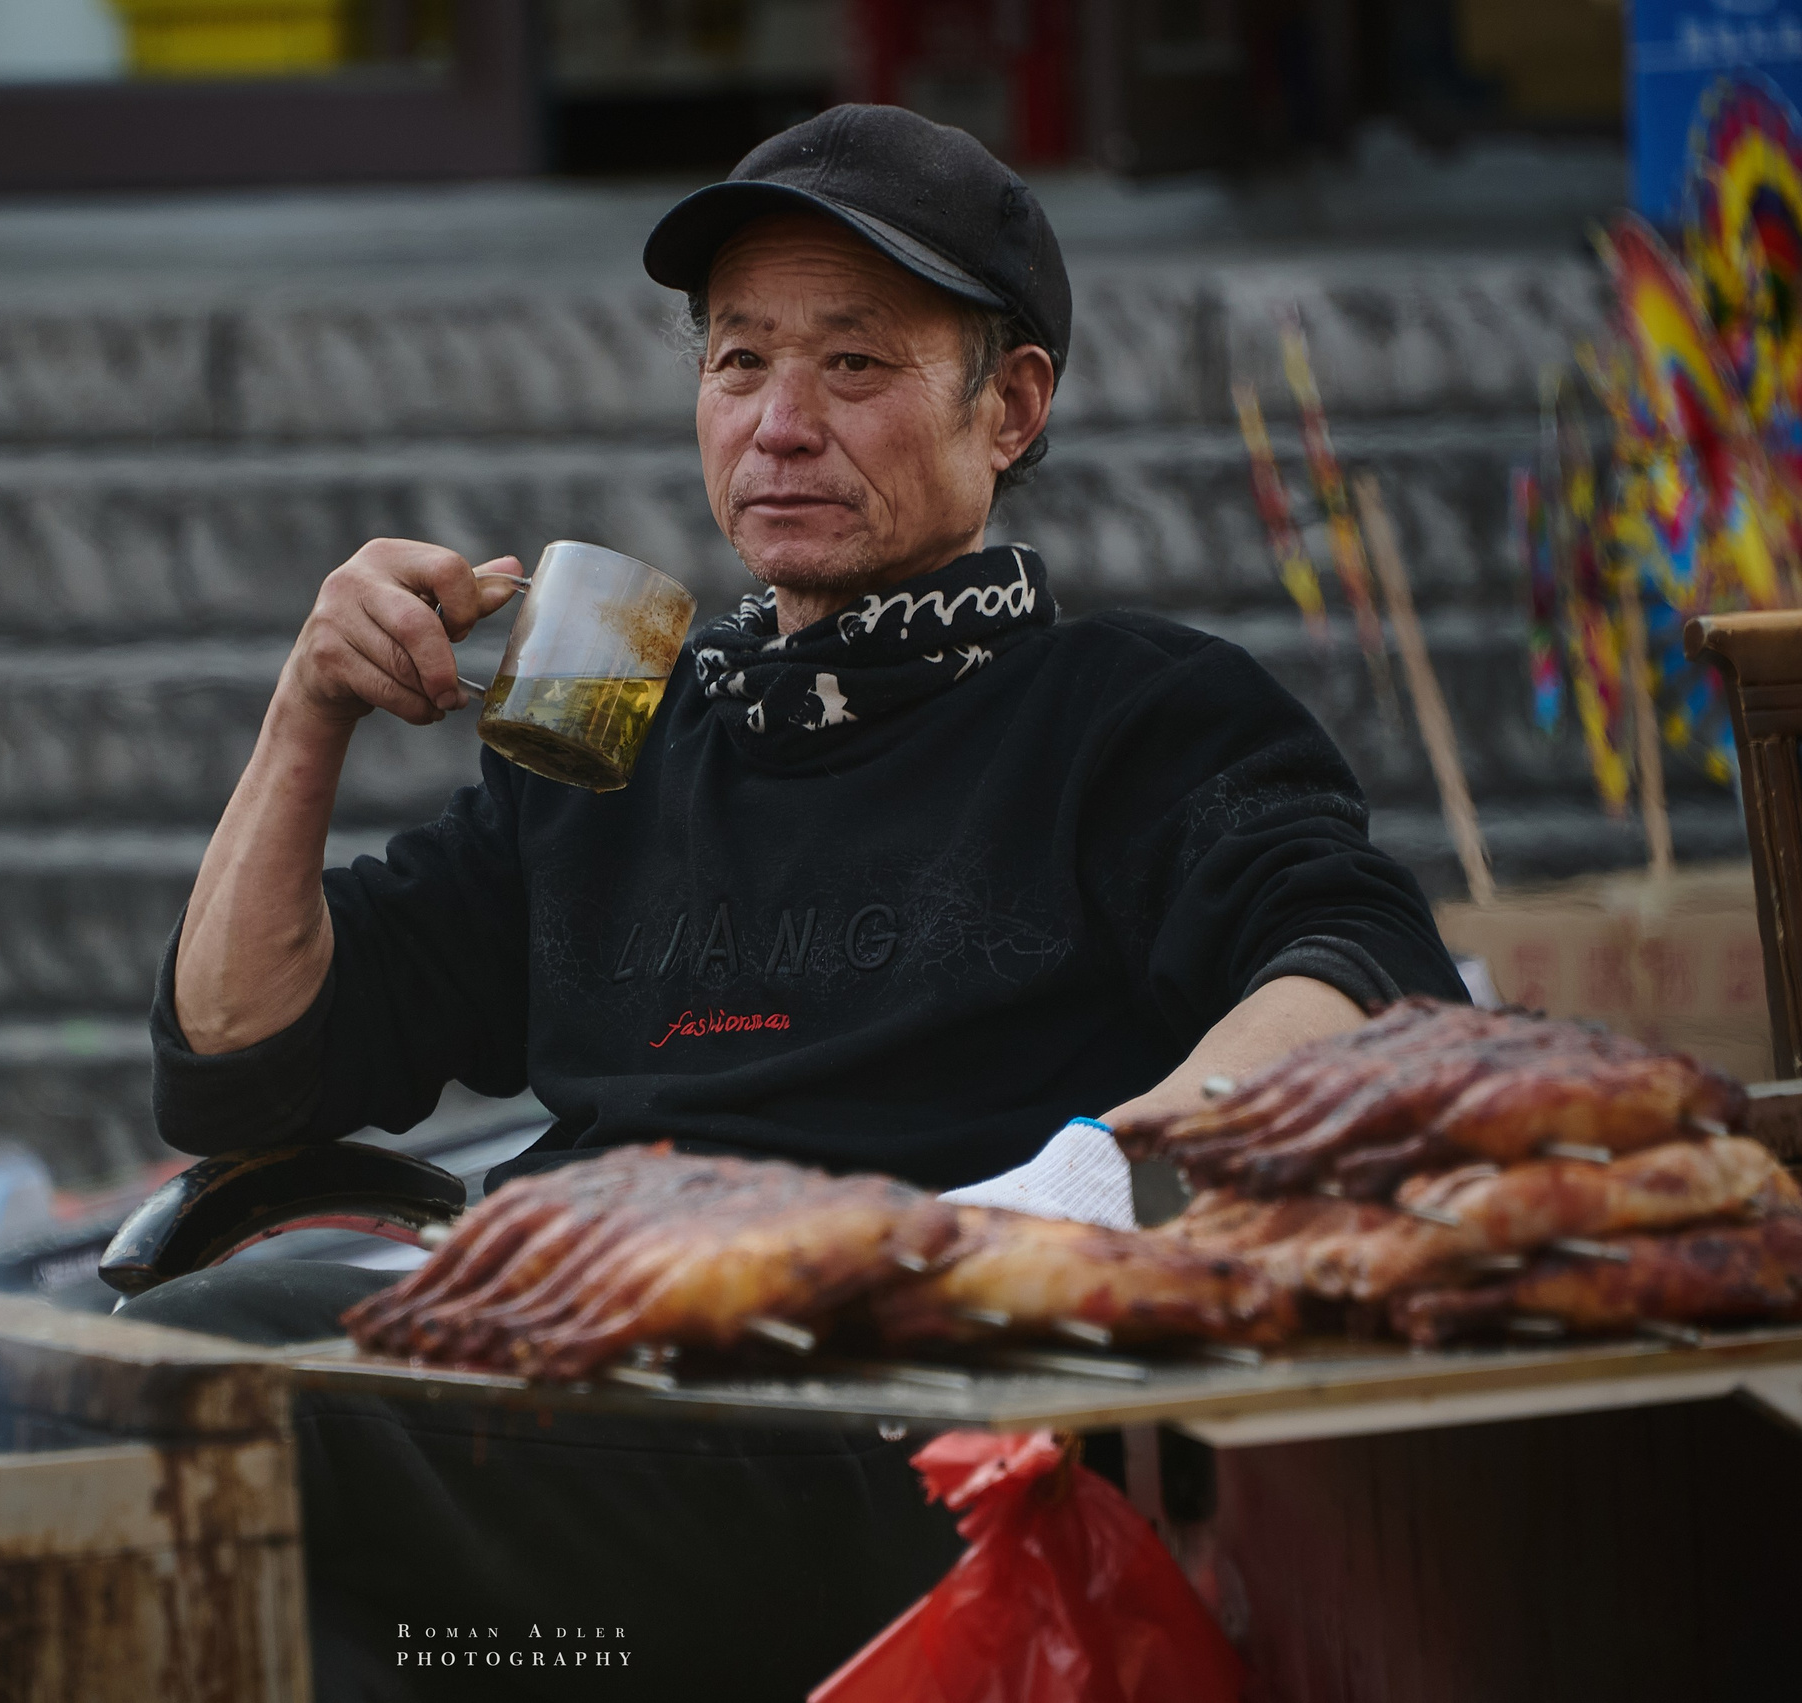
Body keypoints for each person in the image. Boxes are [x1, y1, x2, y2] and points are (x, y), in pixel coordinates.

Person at [124, 105, 1465, 1698]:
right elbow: (241, 1063)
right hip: (562, 1419)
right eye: (737, 361)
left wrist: (1059, 1201)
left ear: (1010, 405)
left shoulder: (1133, 715)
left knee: (222, 1410)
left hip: (888, 1441)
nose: (777, 425)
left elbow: (1376, 980)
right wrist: (307, 714)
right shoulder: (617, 719)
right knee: (179, 1500)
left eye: (854, 365)